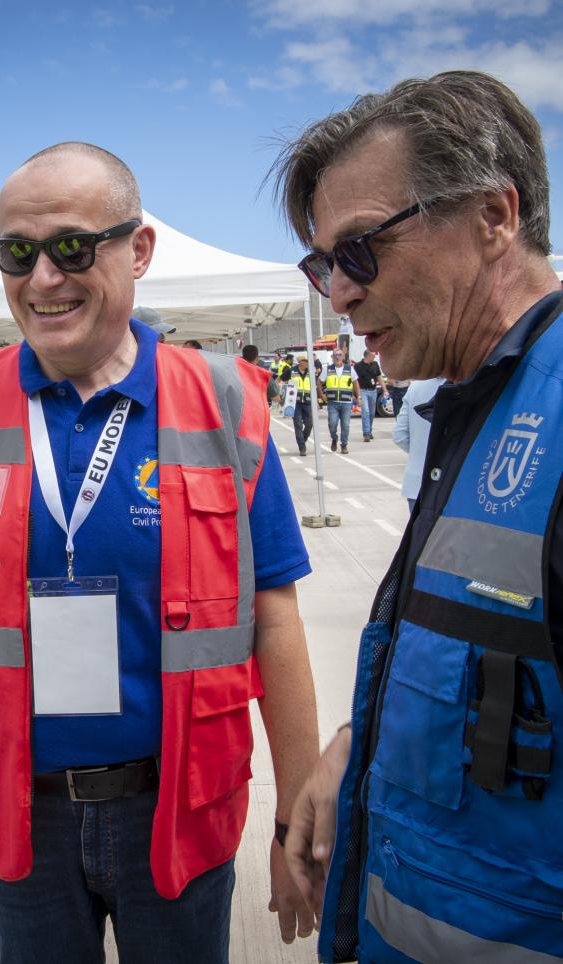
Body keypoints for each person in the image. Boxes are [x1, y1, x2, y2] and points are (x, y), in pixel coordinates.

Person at [0, 142, 321, 963]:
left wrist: (296, 824)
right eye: (16, 252)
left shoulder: (218, 405)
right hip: (15, 815)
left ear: (137, 250)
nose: (42, 278)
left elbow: (274, 621)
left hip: (176, 812)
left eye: (72, 246)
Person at [275, 69, 563, 962]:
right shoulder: (474, 401)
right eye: (321, 264)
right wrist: (357, 744)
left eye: (359, 249)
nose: (340, 292)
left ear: (493, 216)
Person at [393, 377, 445, 512]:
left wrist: (418, 452)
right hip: (448, 486)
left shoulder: (415, 387)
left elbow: (399, 435)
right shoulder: (463, 384)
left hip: (416, 482)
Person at [318, 347, 358, 453]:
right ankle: (334, 439)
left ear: (343, 357)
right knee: (332, 424)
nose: (337, 357)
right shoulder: (328, 369)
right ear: (332, 357)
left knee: (345, 425)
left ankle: (344, 445)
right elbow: (319, 382)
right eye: (335, 355)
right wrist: (321, 394)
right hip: (332, 402)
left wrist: (359, 397)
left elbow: (355, 383)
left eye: (340, 355)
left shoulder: (349, 369)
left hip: (346, 402)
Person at [354, 349, 390, 441]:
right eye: (373, 356)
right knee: (365, 411)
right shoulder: (358, 366)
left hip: (373, 391)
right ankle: (366, 433)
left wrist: (385, 389)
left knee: (371, 413)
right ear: (367, 356)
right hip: (363, 390)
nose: (374, 357)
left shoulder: (375, 365)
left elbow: (379, 377)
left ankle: (369, 430)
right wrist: (355, 394)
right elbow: (354, 381)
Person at [289, 356, 318, 456]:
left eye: (307, 362)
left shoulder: (310, 372)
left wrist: (317, 402)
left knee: (309, 424)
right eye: (305, 362)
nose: (306, 364)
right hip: (295, 403)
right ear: (300, 362)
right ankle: (302, 447)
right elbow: (280, 380)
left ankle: (303, 439)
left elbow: (314, 387)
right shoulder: (291, 371)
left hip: (307, 402)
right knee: (298, 425)